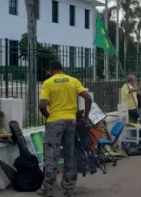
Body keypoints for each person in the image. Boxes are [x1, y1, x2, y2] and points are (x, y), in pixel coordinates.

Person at [37, 60, 92, 197]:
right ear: (62, 69)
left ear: (50, 70)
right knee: (70, 153)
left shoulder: (48, 83)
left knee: (51, 153)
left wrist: (48, 116)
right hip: (71, 122)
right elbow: (88, 98)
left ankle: (47, 188)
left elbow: (42, 104)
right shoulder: (73, 81)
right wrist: (85, 118)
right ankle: (69, 188)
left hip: (55, 121)